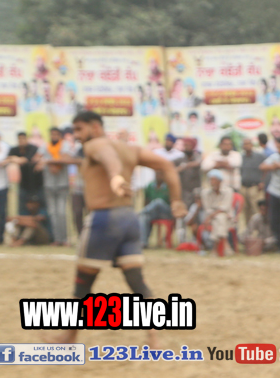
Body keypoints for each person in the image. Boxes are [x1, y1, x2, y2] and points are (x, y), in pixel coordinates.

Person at [52, 111, 185, 346]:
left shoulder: (95, 144)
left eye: (79, 129)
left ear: (95, 127)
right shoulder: (130, 149)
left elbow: (108, 156)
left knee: (83, 282)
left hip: (104, 219)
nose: (76, 135)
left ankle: (68, 337)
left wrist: (115, 177)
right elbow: (166, 165)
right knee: (136, 281)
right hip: (129, 219)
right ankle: (153, 336)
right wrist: (176, 200)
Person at [41, 127, 78, 246]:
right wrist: (51, 162)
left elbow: (66, 158)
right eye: (52, 134)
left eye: (56, 134)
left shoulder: (65, 145)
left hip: (62, 184)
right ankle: (57, 239)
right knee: (53, 213)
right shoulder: (45, 146)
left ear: (60, 136)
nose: (54, 137)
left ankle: (65, 239)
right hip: (49, 184)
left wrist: (51, 162)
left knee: (62, 213)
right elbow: (37, 158)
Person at [6, 131, 44, 213]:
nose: (21, 141)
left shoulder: (33, 148)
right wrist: (15, 159)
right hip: (23, 183)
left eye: (23, 138)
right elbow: (7, 159)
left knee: (40, 207)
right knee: (22, 208)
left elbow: (25, 160)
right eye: (20, 139)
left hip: (37, 183)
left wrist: (15, 159)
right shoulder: (15, 149)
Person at [199, 169, 235, 255]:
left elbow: (225, 207)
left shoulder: (228, 191)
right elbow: (207, 209)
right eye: (211, 180)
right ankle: (226, 246)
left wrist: (213, 215)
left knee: (220, 218)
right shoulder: (205, 193)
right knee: (220, 218)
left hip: (226, 217)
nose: (212, 182)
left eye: (214, 180)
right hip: (212, 218)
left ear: (220, 181)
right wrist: (212, 215)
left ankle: (215, 248)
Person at [238, 137, 265, 226]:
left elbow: (266, 169)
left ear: (252, 145)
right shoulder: (241, 157)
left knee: (256, 210)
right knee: (245, 211)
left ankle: (259, 230)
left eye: (248, 144)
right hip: (243, 188)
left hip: (255, 188)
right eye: (245, 144)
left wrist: (263, 182)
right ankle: (249, 231)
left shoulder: (259, 156)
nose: (246, 146)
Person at [176, 137, 202, 207]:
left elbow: (198, 162)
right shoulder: (180, 159)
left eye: (188, 145)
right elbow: (172, 167)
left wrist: (185, 165)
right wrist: (178, 169)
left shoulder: (197, 156)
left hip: (196, 190)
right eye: (185, 145)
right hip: (184, 191)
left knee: (197, 208)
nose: (187, 147)